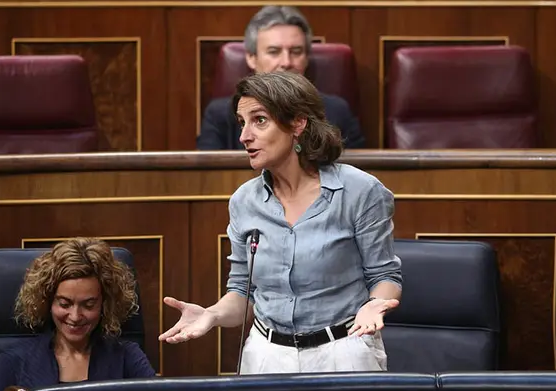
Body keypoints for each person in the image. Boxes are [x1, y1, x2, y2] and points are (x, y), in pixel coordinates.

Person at [161, 71, 402, 374]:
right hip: (266, 355)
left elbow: (385, 275)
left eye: (259, 120)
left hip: (344, 349)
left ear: (297, 123)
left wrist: (375, 304)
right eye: (242, 122)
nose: (244, 136)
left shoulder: (359, 191)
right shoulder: (244, 201)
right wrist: (213, 314)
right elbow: (242, 292)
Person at [0, 238, 155, 391]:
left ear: (105, 304)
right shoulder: (14, 362)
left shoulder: (127, 357)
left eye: (88, 305)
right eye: (64, 304)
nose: (75, 316)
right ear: (48, 302)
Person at [197, 5, 366, 150]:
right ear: (251, 57)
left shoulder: (337, 111)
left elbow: (358, 172)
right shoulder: (219, 115)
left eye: (296, 52)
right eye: (274, 52)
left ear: (306, 58)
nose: (286, 62)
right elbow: (208, 174)